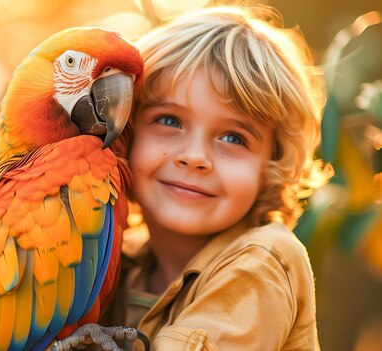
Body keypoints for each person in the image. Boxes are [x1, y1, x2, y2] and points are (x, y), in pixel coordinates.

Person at [102, 5, 332, 350]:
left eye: (233, 138)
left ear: (270, 165)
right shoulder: (117, 258)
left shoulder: (262, 262)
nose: (195, 157)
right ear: (127, 131)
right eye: (169, 120)